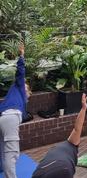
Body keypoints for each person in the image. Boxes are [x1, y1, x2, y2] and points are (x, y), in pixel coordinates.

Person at [32, 94, 87, 178]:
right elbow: (78, 127)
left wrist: (83, 108)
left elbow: (77, 128)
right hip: (62, 168)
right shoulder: (73, 143)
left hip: (39, 171)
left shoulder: (69, 143)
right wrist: (83, 108)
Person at [0, 45, 30, 178]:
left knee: (3, 150)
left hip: (4, 118)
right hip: (10, 118)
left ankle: (3, 169)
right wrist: (21, 56)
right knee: (12, 153)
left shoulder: (15, 96)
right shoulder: (18, 87)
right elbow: (20, 72)